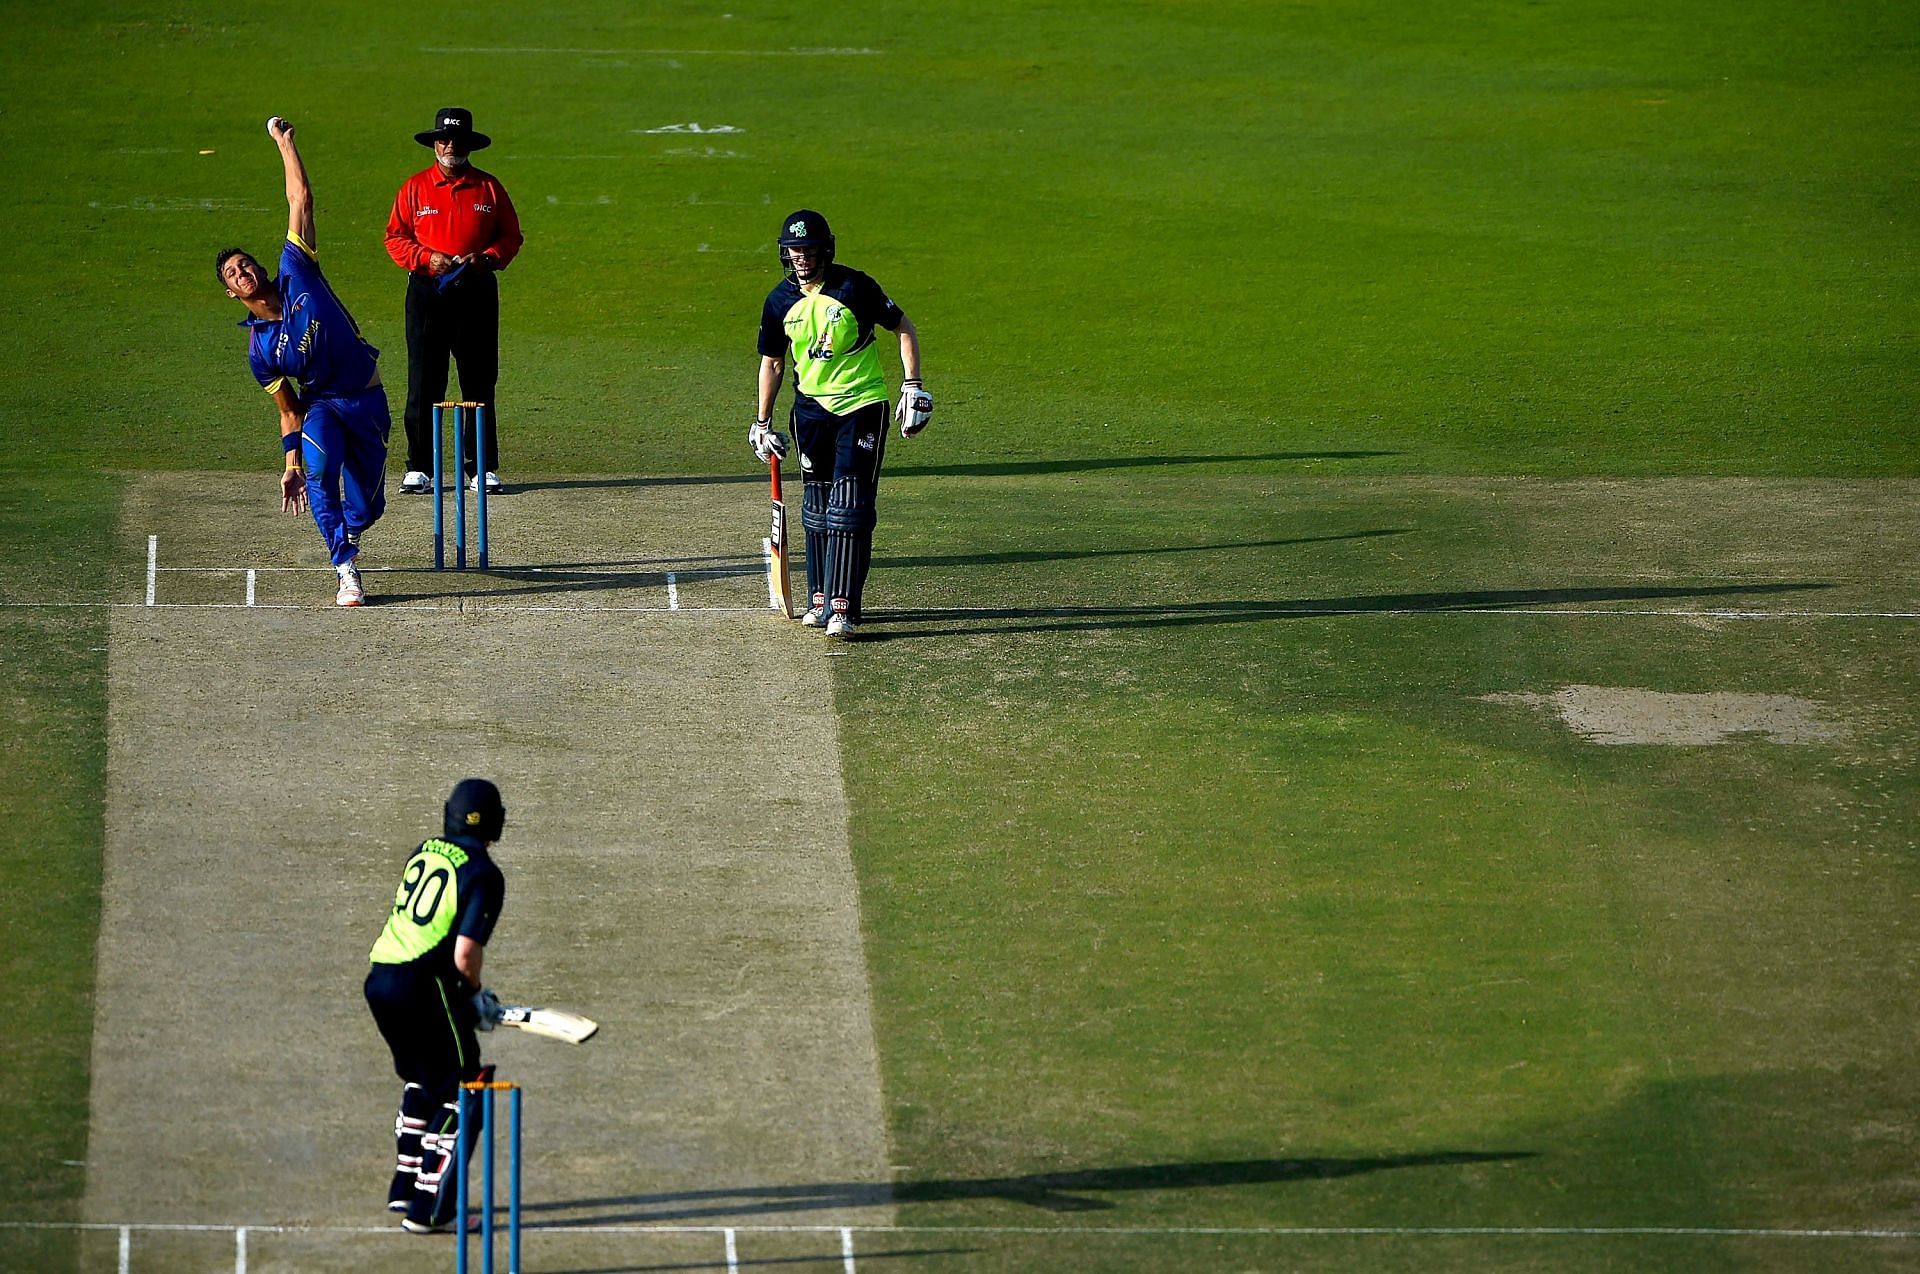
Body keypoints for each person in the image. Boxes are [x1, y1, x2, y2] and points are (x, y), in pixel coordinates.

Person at [218, 117, 390, 607]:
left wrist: (284, 143)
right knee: (319, 476)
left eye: (246, 263)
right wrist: (290, 462)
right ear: (232, 293)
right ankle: (345, 570)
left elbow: (301, 201)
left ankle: (351, 535)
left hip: (366, 399)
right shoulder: (259, 351)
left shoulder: (296, 269)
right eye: (233, 274)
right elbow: (288, 410)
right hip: (322, 408)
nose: (243, 271)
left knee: (367, 506)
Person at [751, 209, 932, 640]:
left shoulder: (855, 286)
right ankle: (819, 598)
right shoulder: (779, 301)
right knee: (816, 508)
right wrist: (761, 422)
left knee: (849, 507)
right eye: (795, 251)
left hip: (861, 405)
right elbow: (773, 363)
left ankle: (844, 608)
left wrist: (913, 385)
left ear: (825, 250)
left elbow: (901, 326)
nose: (802, 258)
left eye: (810, 251)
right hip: (810, 410)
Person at [364, 779, 509, 1234]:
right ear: (496, 823)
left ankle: (404, 1186)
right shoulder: (485, 873)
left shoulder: (423, 850)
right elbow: (464, 952)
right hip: (423, 986)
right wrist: (473, 994)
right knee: (468, 1087)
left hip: (380, 977)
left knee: (423, 1077)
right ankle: (430, 1207)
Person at [386, 107, 523, 495]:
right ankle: (419, 468)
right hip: (428, 292)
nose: (450, 146)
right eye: (444, 140)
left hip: (476, 291)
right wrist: (427, 258)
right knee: (424, 380)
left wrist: (488, 258)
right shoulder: (414, 188)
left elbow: (511, 237)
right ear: (434, 143)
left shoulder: (489, 188)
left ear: (469, 145)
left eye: (458, 141)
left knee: (479, 380)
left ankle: (481, 468)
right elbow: (395, 238)